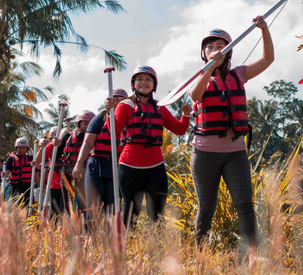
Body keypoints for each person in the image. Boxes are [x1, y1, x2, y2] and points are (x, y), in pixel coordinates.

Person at [189, 17, 273, 257]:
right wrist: (209, 69)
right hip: (205, 154)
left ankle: (254, 255)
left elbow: (268, 59)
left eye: (221, 46)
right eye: (211, 46)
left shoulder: (239, 74)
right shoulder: (198, 78)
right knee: (207, 208)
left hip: (235, 153)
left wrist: (264, 30)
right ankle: (200, 255)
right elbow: (196, 96)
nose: (216, 50)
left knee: (245, 204)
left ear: (229, 52)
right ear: (203, 53)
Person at [114, 65, 192, 225]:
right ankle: (129, 245)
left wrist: (185, 115)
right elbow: (112, 130)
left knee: (157, 213)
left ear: (154, 85)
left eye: (148, 80)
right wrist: (110, 112)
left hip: (155, 167)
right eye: (140, 79)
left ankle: (155, 246)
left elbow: (179, 129)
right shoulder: (125, 106)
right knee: (131, 211)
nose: (144, 82)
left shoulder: (160, 108)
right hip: (129, 167)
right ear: (133, 84)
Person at [73, 89, 128, 214]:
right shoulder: (99, 119)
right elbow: (87, 143)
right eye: (115, 98)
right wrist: (79, 164)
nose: (118, 101)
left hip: (118, 167)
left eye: (121, 99)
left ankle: (111, 233)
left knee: (112, 209)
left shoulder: (130, 118)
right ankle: (91, 234)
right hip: (96, 166)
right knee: (93, 208)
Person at [58, 112, 93, 213]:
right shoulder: (67, 137)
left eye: (90, 124)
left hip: (84, 174)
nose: (88, 126)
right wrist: (55, 145)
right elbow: (57, 155)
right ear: (78, 124)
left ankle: (82, 224)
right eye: (85, 123)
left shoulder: (95, 138)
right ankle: (65, 225)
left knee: (83, 202)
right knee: (65, 202)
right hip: (67, 173)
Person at [3, 138, 34, 208]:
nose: (21, 150)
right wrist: (5, 174)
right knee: (15, 204)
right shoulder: (10, 159)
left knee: (28, 204)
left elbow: (37, 169)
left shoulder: (30, 158)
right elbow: (8, 170)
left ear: (26, 148)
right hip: (14, 185)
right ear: (16, 148)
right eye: (19, 148)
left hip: (27, 186)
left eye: (24, 148)